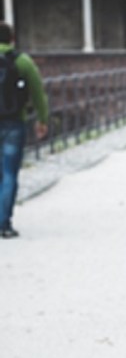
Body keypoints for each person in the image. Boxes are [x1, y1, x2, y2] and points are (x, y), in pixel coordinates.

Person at [0, 23, 49, 239]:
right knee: (9, 173)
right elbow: (38, 92)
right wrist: (42, 119)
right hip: (14, 122)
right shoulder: (22, 61)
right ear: (12, 39)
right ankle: (4, 223)